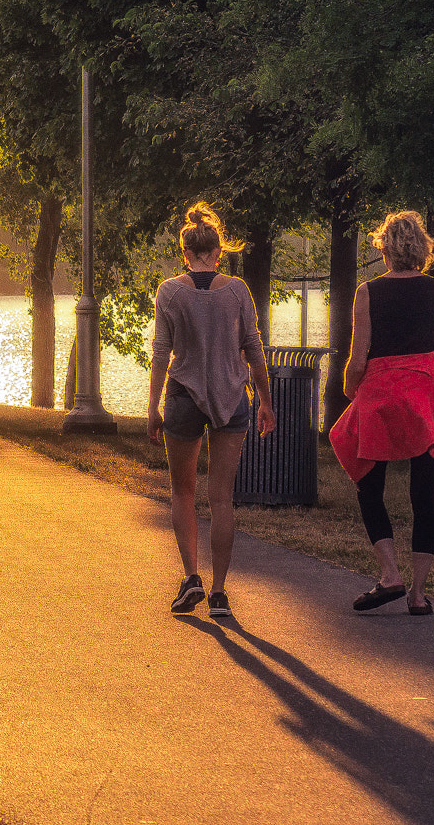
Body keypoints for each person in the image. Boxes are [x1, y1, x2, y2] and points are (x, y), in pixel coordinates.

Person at [330, 211, 434, 617]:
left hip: (382, 395)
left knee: (368, 487)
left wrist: (350, 391)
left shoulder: (367, 292)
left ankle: (390, 574)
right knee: (425, 498)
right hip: (427, 394)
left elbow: (358, 360)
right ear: (423, 249)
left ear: (384, 249)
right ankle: (418, 595)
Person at [147, 202, 274, 620]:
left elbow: (162, 353)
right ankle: (219, 593)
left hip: (182, 397)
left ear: (186, 253)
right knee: (222, 497)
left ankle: (191, 578)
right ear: (219, 253)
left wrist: (152, 407)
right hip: (232, 398)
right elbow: (253, 348)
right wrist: (266, 402)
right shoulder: (237, 290)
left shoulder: (169, 291)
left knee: (182, 490)